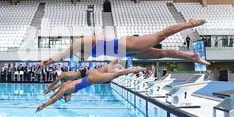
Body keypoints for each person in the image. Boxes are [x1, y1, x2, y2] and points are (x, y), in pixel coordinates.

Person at [39, 19, 210, 67]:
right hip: (127, 53)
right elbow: (73, 59)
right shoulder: (85, 52)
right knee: (165, 53)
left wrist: (48, 61)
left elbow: (61, 55)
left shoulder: (82, 41)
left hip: (125, 45)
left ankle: (189, 23)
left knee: (161, 36)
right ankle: (193, 57)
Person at [36, 65, 148, 112]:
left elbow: (54, 99)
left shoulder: (64, 90)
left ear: (66, 95)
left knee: (116, 74)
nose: (68, 98)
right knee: (111, 70)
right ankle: (138, 68)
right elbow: (55, 91)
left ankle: (139, 69)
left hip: (91, 79)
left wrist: (42, 106)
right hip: (89, 74)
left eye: (67, 98)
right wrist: (49, 91)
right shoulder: (66, 84)